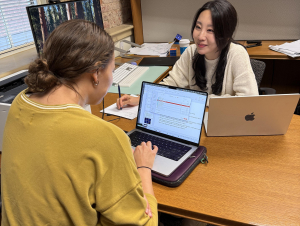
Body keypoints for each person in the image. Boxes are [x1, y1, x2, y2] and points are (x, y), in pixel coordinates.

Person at [1, 19, 158, 226]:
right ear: (95, 73)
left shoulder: (21, 102)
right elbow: (144, 224)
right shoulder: (106, 136)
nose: (111, 77)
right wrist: (144, 168)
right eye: (112, 70)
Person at [117, 0, 258, 110]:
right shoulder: (191, 52)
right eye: (198, 27)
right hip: (193, 121)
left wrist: (197, 99)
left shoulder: (237, 54)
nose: (200, 36)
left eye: (210, 30)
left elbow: (248, 100)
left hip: (225, 122)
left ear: (226, 35)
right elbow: (171, 84)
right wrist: (142, 98)